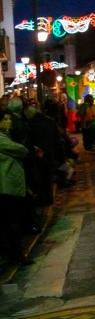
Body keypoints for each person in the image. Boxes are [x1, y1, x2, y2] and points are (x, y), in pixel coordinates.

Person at [0, 112, 33, 265]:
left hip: (8, 185)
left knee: (9, 222)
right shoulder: (2, 139)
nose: (9, 122)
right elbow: (22, 150)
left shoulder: (5, 137)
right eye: (5, 119)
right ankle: (16, 255)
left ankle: (13, 253)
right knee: (11, 222)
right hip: (6, 186)